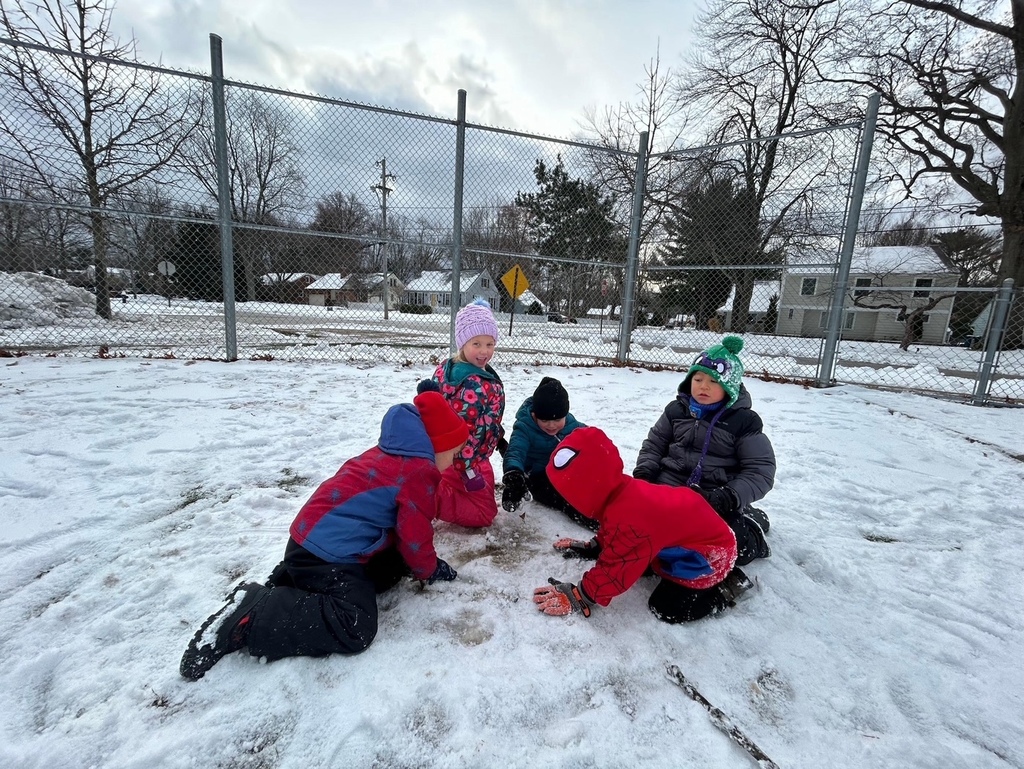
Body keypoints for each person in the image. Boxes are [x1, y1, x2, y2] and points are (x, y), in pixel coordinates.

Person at [179, 383, 469, 681]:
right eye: (453, 453)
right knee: (354, 624)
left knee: (389, 571)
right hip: (326, 557)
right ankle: (251, 615)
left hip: (310, 544)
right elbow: (414, 535)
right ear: (437, 446)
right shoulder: (419, 472)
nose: (453, 462)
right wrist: (429, 569)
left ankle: (292, 580)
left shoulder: (392, 454)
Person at [531, 426, 752, 623]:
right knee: (642, 562)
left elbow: (616, 571)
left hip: (710, 555)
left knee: (666, 608)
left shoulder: (631, 521)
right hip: (690, 535)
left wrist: (580, 595)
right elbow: (615, 529)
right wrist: (596, 547)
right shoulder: (622, 493)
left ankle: (727, 587)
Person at [633, 335, 775, 566]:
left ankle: (753, 534)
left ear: (729, 387)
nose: (703, 386)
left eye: (714, 381)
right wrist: (645, 473)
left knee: (727, 546)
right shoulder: (676, 410)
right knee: (634, 522)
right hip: (669, 486)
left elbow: (760, 471)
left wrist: (726, 497)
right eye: (697, 379)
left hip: (713, 497)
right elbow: (654, 444)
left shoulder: (743, 422)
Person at [431, 298, 505, 527]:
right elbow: (462, 432)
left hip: (462, 457)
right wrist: (467, 469)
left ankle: (437, 485)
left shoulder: (450, 368)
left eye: (490, 344)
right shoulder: (472, 385)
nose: (484, 351)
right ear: (462, 343)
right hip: (466, 461)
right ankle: (426, 497)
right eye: (476, 344)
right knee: (484, 514)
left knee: (482, 495)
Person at [500, 376, 593, 530]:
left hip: (564, 471)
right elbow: (515, 451)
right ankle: (587, 517)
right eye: (544, 420)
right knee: (563, 497)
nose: (551, 425)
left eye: (557, 420)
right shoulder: (525, 428)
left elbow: (590, 438)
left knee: (589, 482)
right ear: (535, 415)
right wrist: (514, 476)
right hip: (539, 477)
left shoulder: (571, 424)